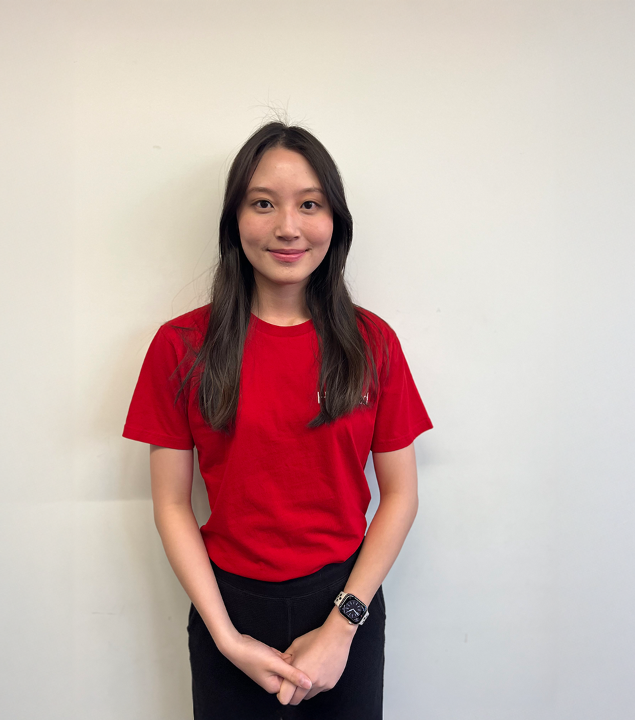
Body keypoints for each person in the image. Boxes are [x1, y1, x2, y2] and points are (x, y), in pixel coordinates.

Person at [122, 121, 432, 719]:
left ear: (334, 220)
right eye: (263, 203)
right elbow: (172, 505)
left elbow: (401, 495)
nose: (288, 227)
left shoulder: (372, 343)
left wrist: (342, 626)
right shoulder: (181, 346)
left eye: (309, 204)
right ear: (234, 220)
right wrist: (226, 638)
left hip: (345, 603)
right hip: (227, 608)